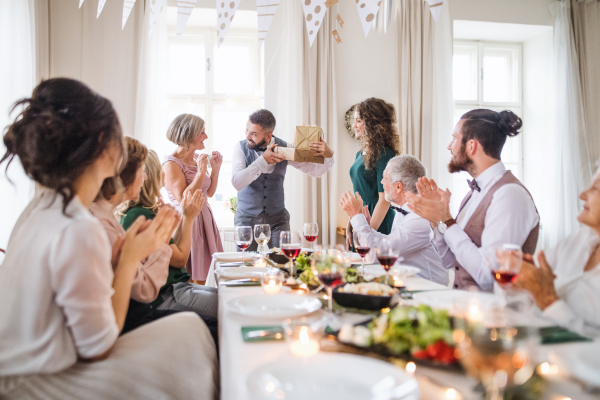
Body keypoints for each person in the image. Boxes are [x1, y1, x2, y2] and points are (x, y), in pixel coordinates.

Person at [0, 78, 218, 399]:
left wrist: (125, 258)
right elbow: (98, 346)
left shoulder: (41, 207)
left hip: (17, 368)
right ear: (104, 144)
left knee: (189, 330)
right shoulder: (79, 226)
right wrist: (129, 259)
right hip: (41, 382)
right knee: (191, 338)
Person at [406, 109, 539, 292]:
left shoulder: (510, 195)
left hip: (496, 315)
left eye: (454, 138)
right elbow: (449, 261)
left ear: (471, 146)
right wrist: (435, 220)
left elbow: (488, 277)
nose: (449, 146)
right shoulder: (473, 193)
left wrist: (446, 220)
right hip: (463, 307)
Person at [120, 150, 219, 342]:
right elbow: (180, 259)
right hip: (167, 295)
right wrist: (189, 218)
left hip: (177, 287)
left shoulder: (146, 210)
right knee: (231, 305)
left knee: (230, 295)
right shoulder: (139, 215)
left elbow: (169, 248)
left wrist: (183, 215)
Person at [89, 138, 178, 334]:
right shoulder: (102, 225)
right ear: (124, 177)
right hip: (132, 322)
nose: (145, 178)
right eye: (142, 171)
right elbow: (145, 290)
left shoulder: (107, 216)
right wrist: (163, 239)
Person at [513, 169, 600, 338]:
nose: (582, 195)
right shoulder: (577, 240)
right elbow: (524, 301)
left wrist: (548, 301)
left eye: (596, 188)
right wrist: (521, 282)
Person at [231, 109, 334, 250]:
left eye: (253, 133)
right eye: (247, 130)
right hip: (246, 220)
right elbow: (237, 182)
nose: (247, 136)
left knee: (282, 262)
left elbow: (315, 171)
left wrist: (328, 156)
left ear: (269, 135)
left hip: (277, 219)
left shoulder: (285, 148)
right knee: (246, 264)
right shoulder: (240, 148)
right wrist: (263, 161)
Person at [340, 155, 448, 285]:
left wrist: (357, 216)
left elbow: (374, 256)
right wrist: (367, 228)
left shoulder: (420, 217)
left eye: (384, 178)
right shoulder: (406, 210)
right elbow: (388, 243)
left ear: (398, 186)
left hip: (426, 290)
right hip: (407, 284)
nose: (381, 183)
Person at [163, 114, 223, 282]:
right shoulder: (171, 164)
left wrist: (215, 169)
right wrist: (201, 172)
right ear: (189, 135)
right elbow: (184, 198)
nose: (206, 137)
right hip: (188, 221)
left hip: (205, 219)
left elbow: (208, 193)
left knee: (208, 275)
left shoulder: (197, 158)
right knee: (193, 276)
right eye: (202, 132)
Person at [349, 98, 401, 237]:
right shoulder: (359, 154)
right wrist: (351, 223)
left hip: (378, 220)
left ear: (372, 123)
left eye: (358, 121)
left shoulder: (384, 154)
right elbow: (357, 195)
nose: (354, 125)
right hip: (360, 219)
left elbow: (384, 200)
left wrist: (368, 233)